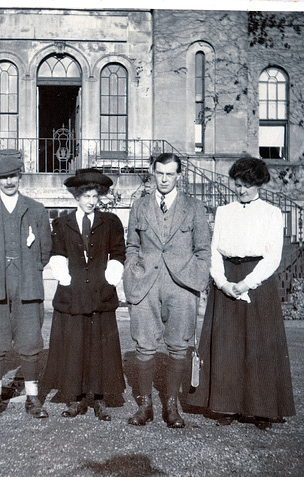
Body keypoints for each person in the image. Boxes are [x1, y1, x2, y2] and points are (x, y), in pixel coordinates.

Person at [187, 156, 295, 430]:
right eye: (238, 185)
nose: (242, 190)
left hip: (257, 282)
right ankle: (226, 405)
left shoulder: (271, 213)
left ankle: (261, 409)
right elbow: (213, 251)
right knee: (227, 344)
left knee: (259, 345)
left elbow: (272, 257)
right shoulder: (224, 212)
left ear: (258, 183)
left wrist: (247, 283)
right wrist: (223, 283)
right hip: (227, 279)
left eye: (247, 185)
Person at [123, 153, 211, 429]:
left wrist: (194, 283)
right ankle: (145, 405)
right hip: (145, 284)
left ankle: (171, 406)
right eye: (159, 173)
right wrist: (131, 273)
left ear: (178, 176)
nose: (163, 179)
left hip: (181, 286)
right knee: (145, 346)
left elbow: (203, 250)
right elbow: (132, 246)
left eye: (169, 174)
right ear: (153, 173)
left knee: (178, 346)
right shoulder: (139, 205)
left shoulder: (194, 207)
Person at [0, 156, 52, 419]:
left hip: (27, 284)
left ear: (20, 177)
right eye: (3, 178)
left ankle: (32, 397)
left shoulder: (37, 210)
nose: (8, 182)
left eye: (13, 176)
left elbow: (45, 250)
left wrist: (30, 268)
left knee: (30, 341)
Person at [43, 169, 126, 421]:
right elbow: (57, 254)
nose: (91, 200)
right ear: (76, 197)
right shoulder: (62, 223)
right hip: (73, 293)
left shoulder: (110, 222)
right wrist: (65, 278)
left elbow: (119, 252)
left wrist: (111, 277)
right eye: (86, 196)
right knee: (75, 345)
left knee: (99, 346)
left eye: (95, 196)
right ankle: (75, 398)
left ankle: (99, 399)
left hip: (101, 292)